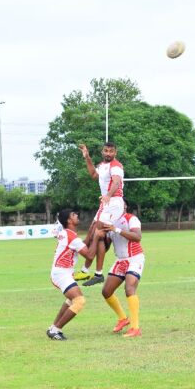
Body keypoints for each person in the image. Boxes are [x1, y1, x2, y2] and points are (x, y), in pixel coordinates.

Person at [75, 142, 125, 286]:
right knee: (93, 236)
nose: (108, 153)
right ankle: (92, 272)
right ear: (102, 152)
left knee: (97, 235)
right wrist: (87, 157)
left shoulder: (116, 166)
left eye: (111, 151)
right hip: (105, 204)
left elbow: (116, 182)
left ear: (115, 152)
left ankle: (90, 271)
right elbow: (93, 174)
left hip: (113, 203)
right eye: (106, 150)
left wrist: (108, 195)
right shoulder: (102, 165)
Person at [46, 209, 97, 341]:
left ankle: (53, 327)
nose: (77, 216)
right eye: (74, 215)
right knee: (79, 301)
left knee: (71, 300)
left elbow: (82, 244)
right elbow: (90, 255)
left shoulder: (68, 234)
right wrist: (96, 238)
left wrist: (92, 229)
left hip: (62, 272)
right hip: (61, 273)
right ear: (69, 221)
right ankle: (56, 329)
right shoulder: (71, 237)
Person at [98, 201, 145, 338]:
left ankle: (135, 328)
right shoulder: (110, 223)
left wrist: (116, 229)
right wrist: (101, 238)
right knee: (106, 291)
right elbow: (106, 247)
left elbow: (137, 237)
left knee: (129, 288)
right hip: (120, 260)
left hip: (134, 258)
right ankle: (123, 318)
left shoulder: (131, 219)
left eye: (120, 204)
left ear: (124, 206)